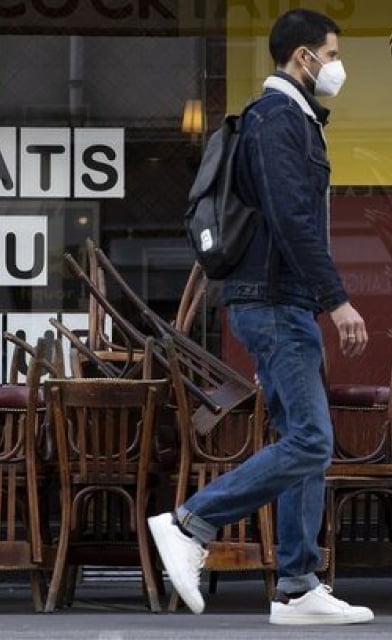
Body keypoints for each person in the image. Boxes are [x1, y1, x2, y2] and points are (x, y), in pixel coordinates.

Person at [148, 8, 372, 626]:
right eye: (331, 55)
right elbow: (290, 219)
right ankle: (190, 523)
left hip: (280, 301)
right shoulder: (277, 120)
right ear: (304, 58)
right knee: (309, 439)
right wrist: (338, 299)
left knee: (306, 442)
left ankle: (298, 586)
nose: (336, 67)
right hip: (274, 302)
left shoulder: (290, 119)